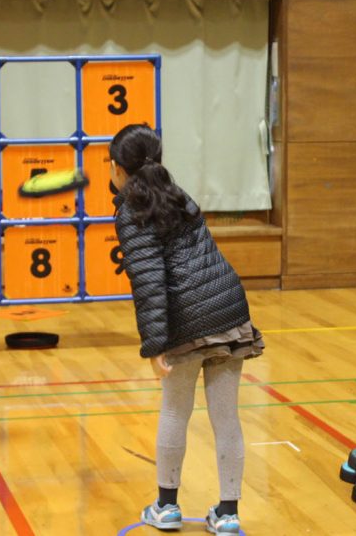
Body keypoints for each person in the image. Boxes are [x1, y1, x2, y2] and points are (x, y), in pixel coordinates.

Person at [110, 124, 265, 535]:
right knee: (227, 418)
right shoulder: (178, 195)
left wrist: (155, 345)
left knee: (175, 410)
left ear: (117, 169)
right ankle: (228, 514)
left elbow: (149, 283)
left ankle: (166, 508)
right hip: (229, 312)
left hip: (188, 323)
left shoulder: (131, 212)